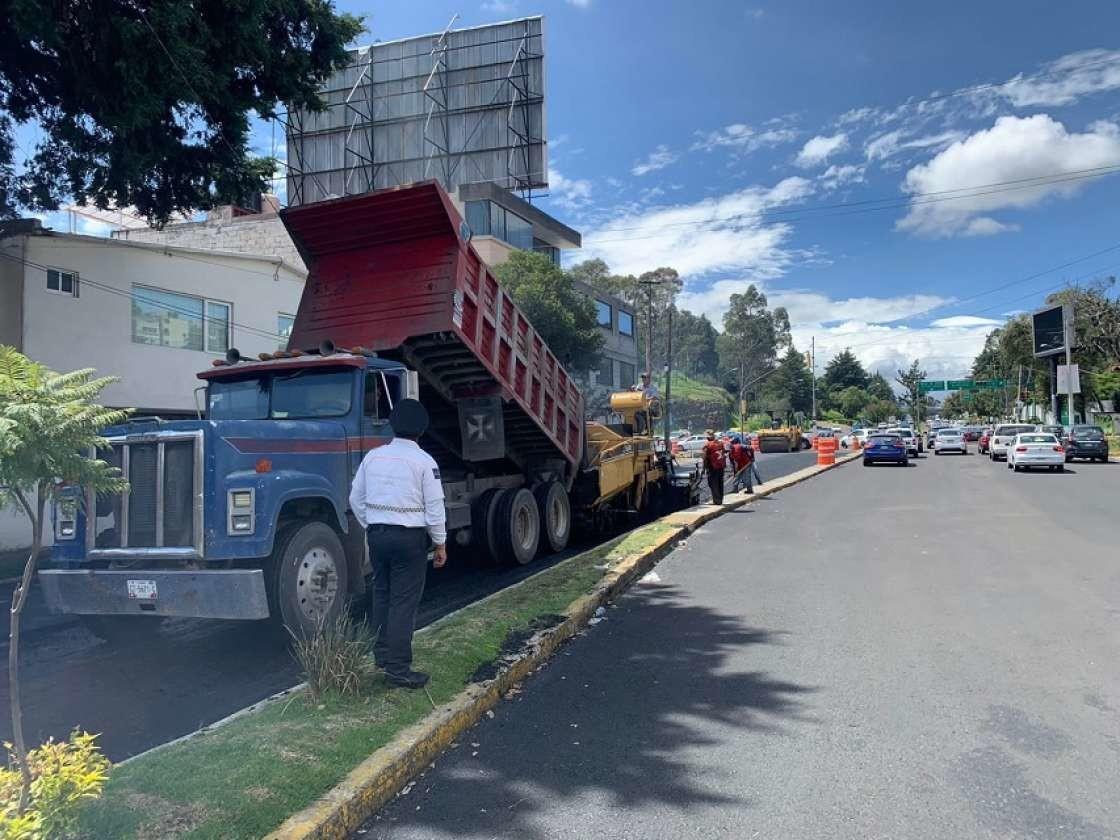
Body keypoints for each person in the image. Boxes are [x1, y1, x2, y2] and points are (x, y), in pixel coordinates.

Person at [349, 398, 447, 689]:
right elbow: (435, 507)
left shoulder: (373, 457)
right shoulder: (425, 462)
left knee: (382, 595)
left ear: (392, 424)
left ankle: (381, 656)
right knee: (403, 602)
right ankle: (399, 669)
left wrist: (372, 523)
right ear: (422, 430)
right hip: (409, 539)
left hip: (377, 535)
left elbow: (355, 498)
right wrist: (440, 543)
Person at [701, 429, 727, 505]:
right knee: (720, 483)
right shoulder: (720, 443)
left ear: (708, 437)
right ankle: (720, 499)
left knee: (712, 483)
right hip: (721, 466)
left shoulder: (707, 445)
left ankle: (716, 501)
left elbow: (704, 457)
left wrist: (703, 468)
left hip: (712, 467)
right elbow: (724, 452)